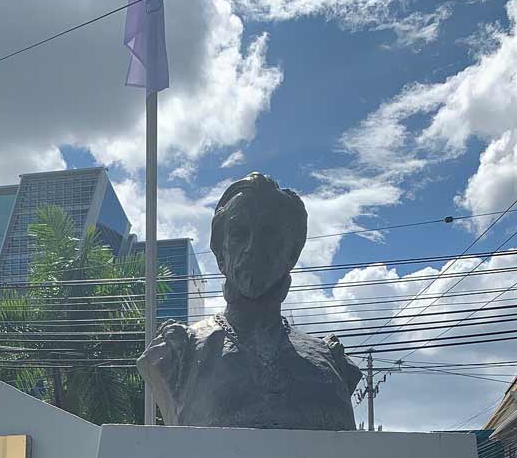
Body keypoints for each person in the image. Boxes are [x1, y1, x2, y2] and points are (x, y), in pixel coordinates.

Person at [137, 172, 361, 430]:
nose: (253, 247)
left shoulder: (332, 362)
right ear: (221, 254)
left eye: (270, 234)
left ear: (292, 254)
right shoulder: (176, 353)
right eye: (239, 233)